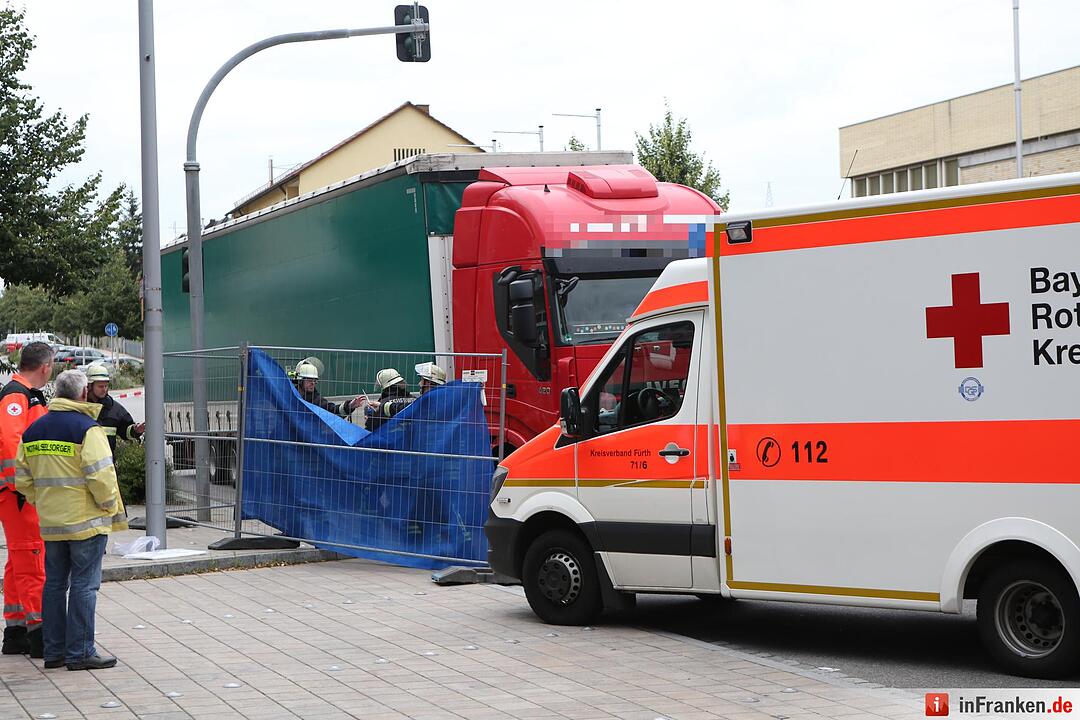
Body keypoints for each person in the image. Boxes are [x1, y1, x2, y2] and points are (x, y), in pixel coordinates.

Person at [14, 370, 127, 671]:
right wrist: (107, 506)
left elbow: (22, 479)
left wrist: (44, 502)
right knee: (84, 586)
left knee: (53, 585)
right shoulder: (88, 429)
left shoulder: (34, 430)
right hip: (86, 522)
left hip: (51, 523)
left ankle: (54, 652)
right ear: (82, 394)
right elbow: (101, 476)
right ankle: (80, 652)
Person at [0, 341, 52, 657]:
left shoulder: (23, 394)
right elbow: (10, 440)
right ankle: (40, 635)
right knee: (32, 557)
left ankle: (17, 630)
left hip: (17, 492)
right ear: (45, 367)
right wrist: (22, 485)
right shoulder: (17, 395)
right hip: (19, 493)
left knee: (20, 559)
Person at [83, 364, 144, 456]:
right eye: (100, 386)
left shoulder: (115, 409)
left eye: (106, 386)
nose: (104, 389)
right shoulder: (79, 406)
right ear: (89, 386)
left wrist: (135, 430)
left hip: (106, 465)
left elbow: (125, 431)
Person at [365, 364, 446, 431]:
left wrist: (374, 414)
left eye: (421, 380)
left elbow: (370, 429)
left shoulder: (424, 403)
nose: (419, 384)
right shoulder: (416, 400)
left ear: (427, 382)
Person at [293, 362, 367, 418]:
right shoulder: (289, 395)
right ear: (300, 381)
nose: (313, 383)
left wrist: (349, 406)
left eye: (315, 380)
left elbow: (333, 412)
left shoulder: (317, 400)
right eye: (309, 380)